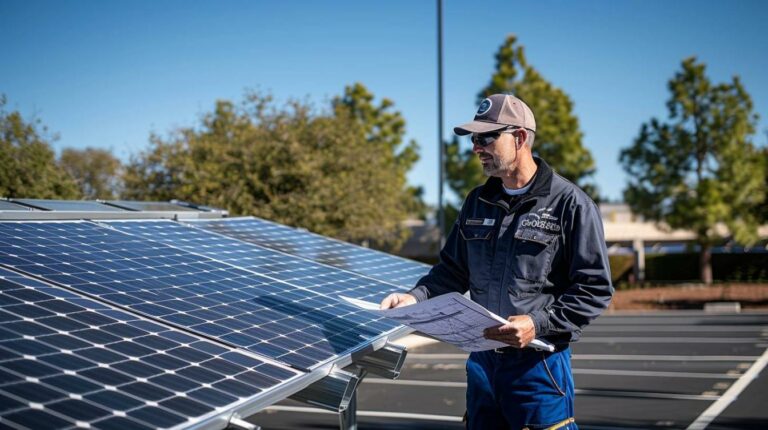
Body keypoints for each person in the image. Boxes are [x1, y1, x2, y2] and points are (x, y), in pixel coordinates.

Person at [381, 94, 613, 430]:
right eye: (474, 139)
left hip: (538, 368)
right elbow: (451, 271)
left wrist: (538, 323)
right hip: (482, 364)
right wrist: (415, 297)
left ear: (519, 137)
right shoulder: (478, 201)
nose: (477, 147)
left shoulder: (571, 205)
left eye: (486, 137)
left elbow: (594, 288)